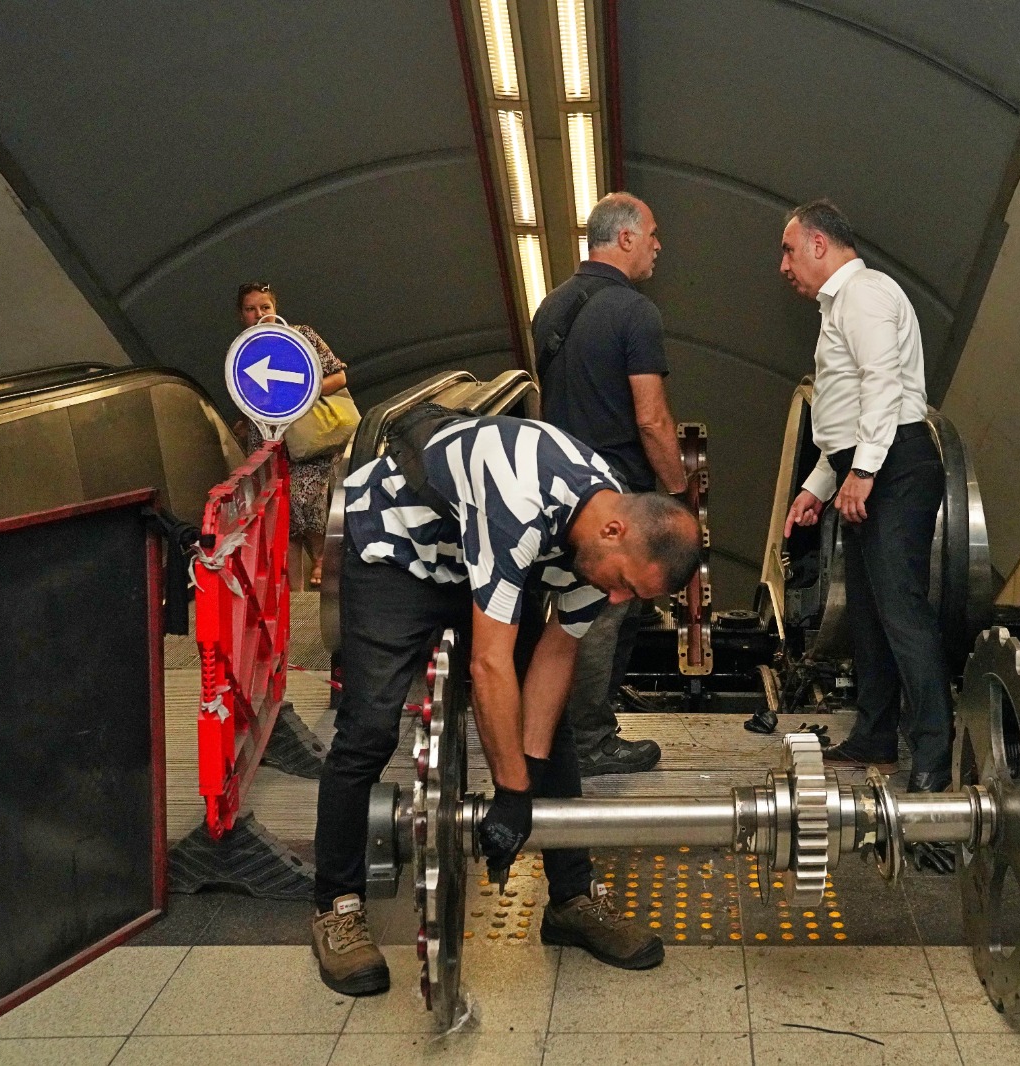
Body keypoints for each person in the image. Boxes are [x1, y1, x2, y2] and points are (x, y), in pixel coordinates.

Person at [309, 409, 701, 995]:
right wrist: (512, 794)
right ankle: (336, 907)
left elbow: (555, 656)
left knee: (554, 731)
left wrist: (529, 774)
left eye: (632, 594)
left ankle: (571, 900)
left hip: (477, 563)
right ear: (614, 531)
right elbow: (488, 665)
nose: (617, 597)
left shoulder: (603, 542)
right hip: (396, 550)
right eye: (622, 583)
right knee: (368, 726)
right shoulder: (518, 501)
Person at [778, 199, 955, 873]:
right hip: (868, 462)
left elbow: (884, 393)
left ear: (821, 244)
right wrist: (819, 487)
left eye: (790, 251)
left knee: (905, 613)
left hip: (899, 465)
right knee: (874, 616)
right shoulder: (838, 308)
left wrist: (866, 474)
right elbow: (847, 413)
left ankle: (932, 768)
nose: (784, 266)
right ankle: (877, 735)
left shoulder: (867, 294)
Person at [535, 192, 689, 777]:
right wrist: (676, 495)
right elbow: (650, 417)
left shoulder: (551, 307)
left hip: (559, 491)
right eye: (651, 233)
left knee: (574, 613)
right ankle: (591, 743)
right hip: (616, 493)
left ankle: (572, 725)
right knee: (603, 614)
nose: (657, 245)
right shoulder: (634, 312)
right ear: (625, 238)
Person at [235, 282, 346, 587]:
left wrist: (302, 394)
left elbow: (338, 375)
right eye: (251, 309)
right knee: (279, 505)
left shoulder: (302, 336)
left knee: (303, 496)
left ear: (275, 308)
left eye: (265, 307)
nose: (260, 315)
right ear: (241, 315)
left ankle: (323, 559)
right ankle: (292, 588)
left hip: (307, 431)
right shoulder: (242, 350)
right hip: (269, 437)